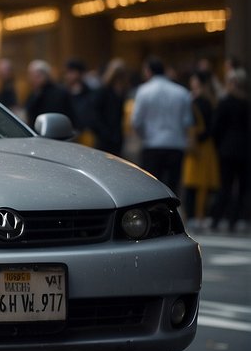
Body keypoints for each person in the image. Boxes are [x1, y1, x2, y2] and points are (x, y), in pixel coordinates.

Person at [130, 55, 193, 197]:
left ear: (148, 71)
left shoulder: (143, 91)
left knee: (152, 188)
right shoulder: (182, 92)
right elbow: (187, 122)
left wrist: (144, 136)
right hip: (176, 144)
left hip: (152, 145)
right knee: (173, 187)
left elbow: (136, 121)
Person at [208, 68, 249, 232]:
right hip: (244, 150)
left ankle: (216, 220)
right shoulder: (246, 103)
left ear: (233, 83)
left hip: (226, 149)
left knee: (225, 186)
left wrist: (218, 145)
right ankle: (234, 219)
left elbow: (216, 127)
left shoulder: (225, 102)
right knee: (241, 187)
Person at [182, 70, 220, 226]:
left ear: (198, 82)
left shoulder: (196, 101)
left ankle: (195, 215)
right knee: (203, 183)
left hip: (196, 145)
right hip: (206, 146)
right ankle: (201, 215)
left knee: (194, 183)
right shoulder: (211, 101)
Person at [92, 58, 130, 156]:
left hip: (116, 134)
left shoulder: (121, 91)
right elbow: (96, 113)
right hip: (105, 135)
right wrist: (104, 132)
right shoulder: (104, 91)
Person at [23, 60, 72, 128]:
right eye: (30, 75)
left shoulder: (59, 92)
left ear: (44, 75)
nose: (31, 79)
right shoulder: (34, 93)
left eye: (35, 76)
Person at [63, 57, 97, 147]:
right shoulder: (63, 93)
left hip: (85, 138)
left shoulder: (91, 93)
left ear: (80, 73)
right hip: (67, 138)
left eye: (71, 72)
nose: (68, 76)